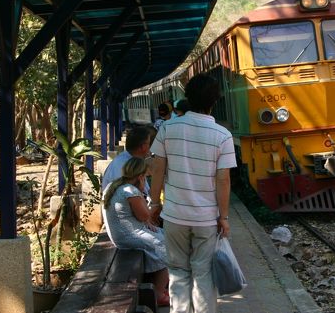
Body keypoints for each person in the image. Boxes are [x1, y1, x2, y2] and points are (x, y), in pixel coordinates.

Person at [149, 73, 236, 313]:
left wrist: (154, 203)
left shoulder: (168, 128)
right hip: (205, 218)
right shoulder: (222, 135)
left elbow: (157, 168)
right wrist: (224, 217)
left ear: (186, 98)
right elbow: (223, 180)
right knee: (203, 273)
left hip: (175, 216)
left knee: (178, 272)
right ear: (214, 101)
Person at [102, 157, 170, 307]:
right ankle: (158, 293)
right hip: (127, 237)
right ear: (140, 176)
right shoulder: (130, 191)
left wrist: (145, 221)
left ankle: (159, 286)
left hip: (121, 234)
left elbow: (139, 216)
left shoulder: (115, 185)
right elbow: (146, 215)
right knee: (166, 246)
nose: (146, 180)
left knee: (163, 236)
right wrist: (149, 209)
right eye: (145, 177)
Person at [101, 125, 156, 196]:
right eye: (149, 144)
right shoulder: (124, 165)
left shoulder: (132, 161)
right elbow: (130, 196)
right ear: (143, 147)